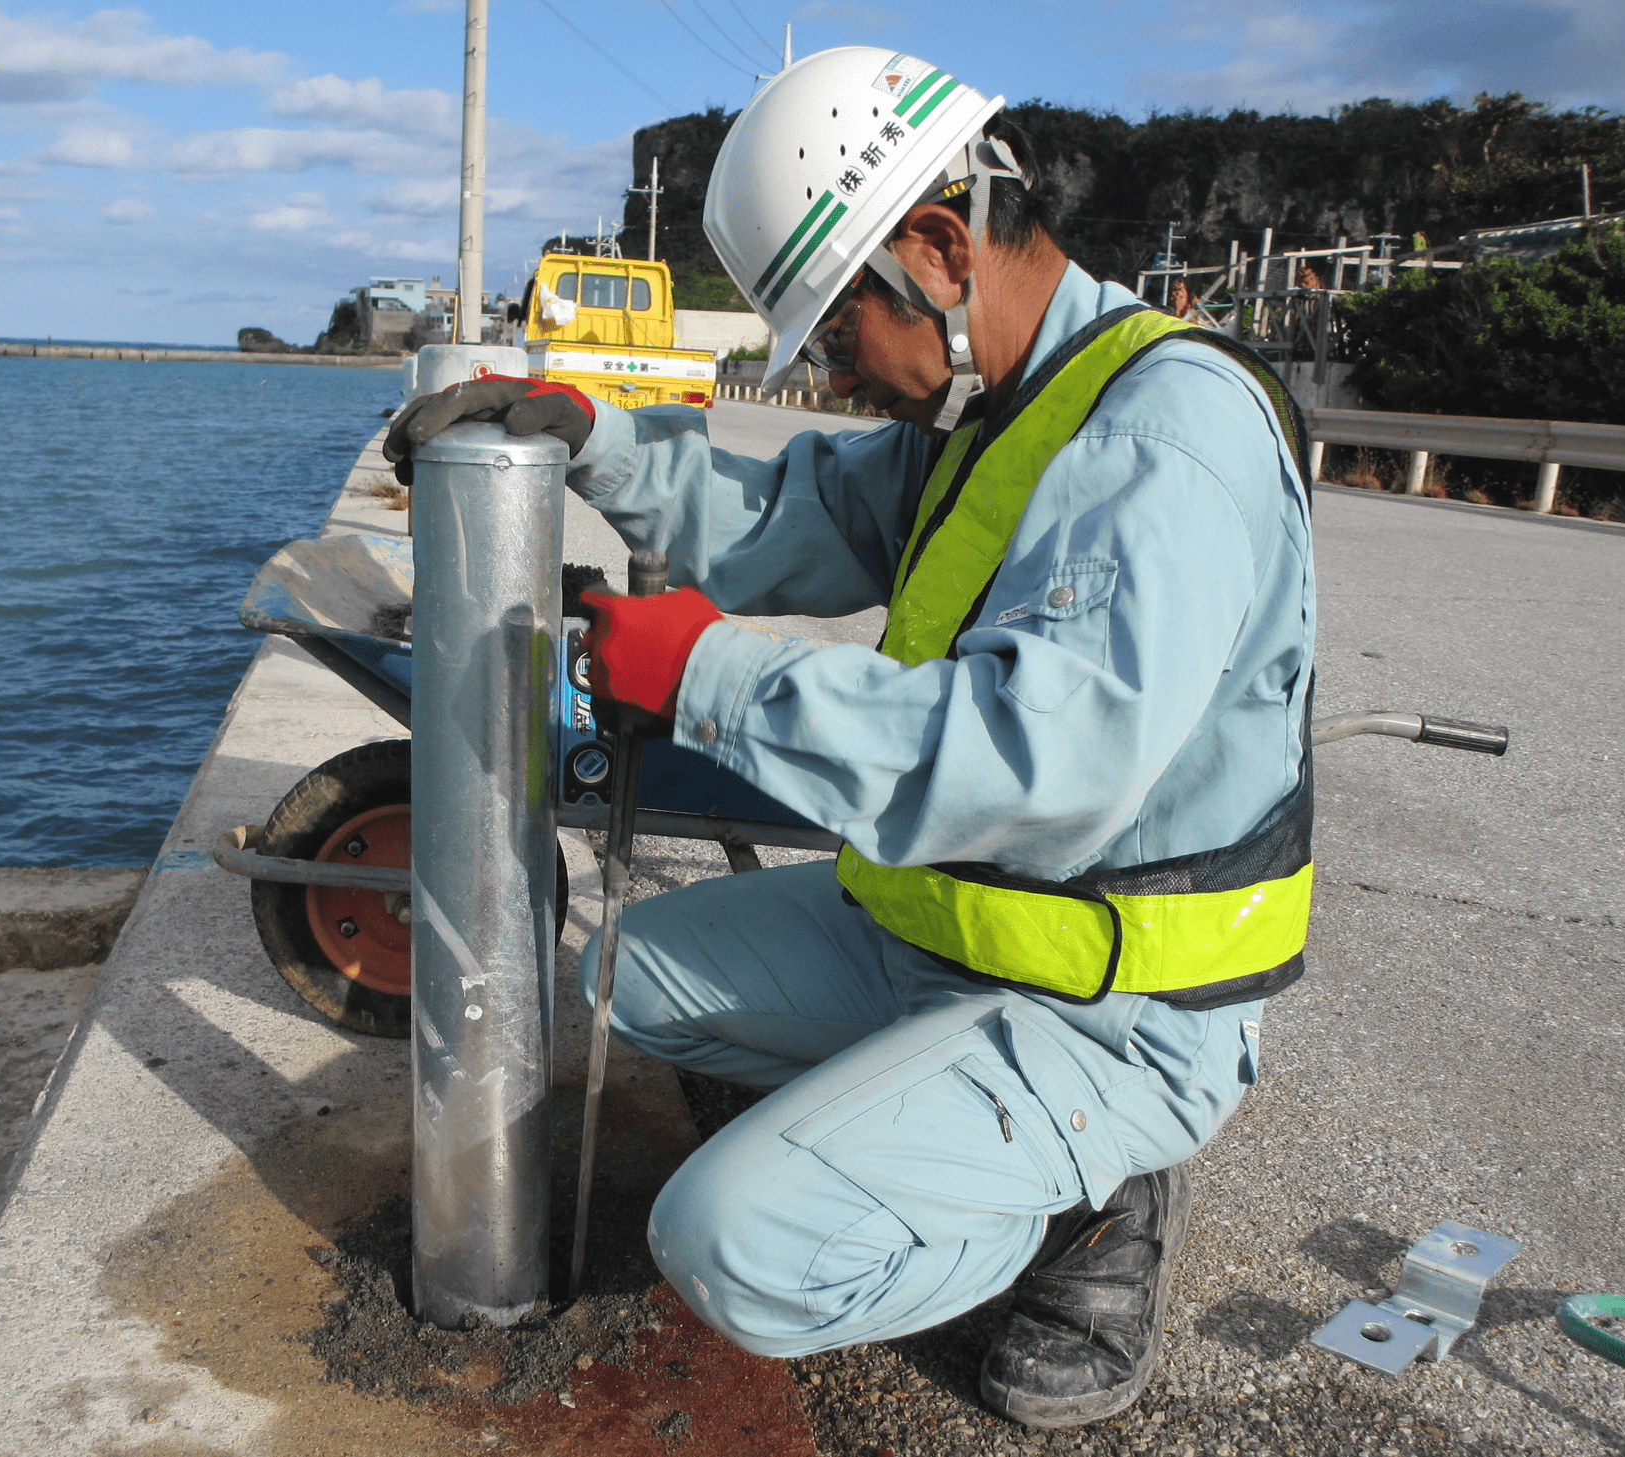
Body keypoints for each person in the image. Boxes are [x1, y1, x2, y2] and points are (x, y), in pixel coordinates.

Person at [384, 46, 1315, 1431]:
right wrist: (592, 442)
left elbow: (1037, 767)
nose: (836, 372)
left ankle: (1083, 1208)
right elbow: (781, 522)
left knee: (727, 1246)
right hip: (940, 934)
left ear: (938, 249)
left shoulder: (1161, 437)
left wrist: (710, 677)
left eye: (833, 333)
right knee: (609, 978)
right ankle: (921, 1131)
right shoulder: (993, 412)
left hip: (1111, 1008)